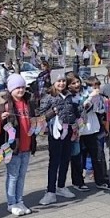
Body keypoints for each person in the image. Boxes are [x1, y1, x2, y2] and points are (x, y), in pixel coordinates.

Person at [0, 74, 37, 216]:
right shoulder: (6, 104)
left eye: (23, 87)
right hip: (13, 148)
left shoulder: (27, 102)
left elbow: (33, 120)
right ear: (11, 89)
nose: (21, 90)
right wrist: (1, 118)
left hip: (27, 145)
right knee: (13, 175)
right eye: (17, 87)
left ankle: (19, 200)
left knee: (22, 175)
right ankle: (11, 202)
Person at [38, 71, 77, 205]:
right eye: (58, 81)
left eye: (63, 81)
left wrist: (76, 124)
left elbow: (73, 112)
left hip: (68, 131)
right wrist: (51, 112)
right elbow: (41, 116)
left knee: (66, 159)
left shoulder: (69, 95)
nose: (61, 83)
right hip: (55, 133)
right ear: (53, 82)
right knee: (54, 161)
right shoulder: (48, 97)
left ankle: (61, 186)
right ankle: (50, 191)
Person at [78, 77, 110, 190]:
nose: (96, 89)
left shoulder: (101, 97)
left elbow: (105, 113)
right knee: (80, 157)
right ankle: (79, 182)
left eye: (97, 86)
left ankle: (102, 181)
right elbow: (82, 107)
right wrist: (91, 97)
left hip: (95, 130)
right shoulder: (84, 96)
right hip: (82, 131)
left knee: (99, 156)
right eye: (93, 86)